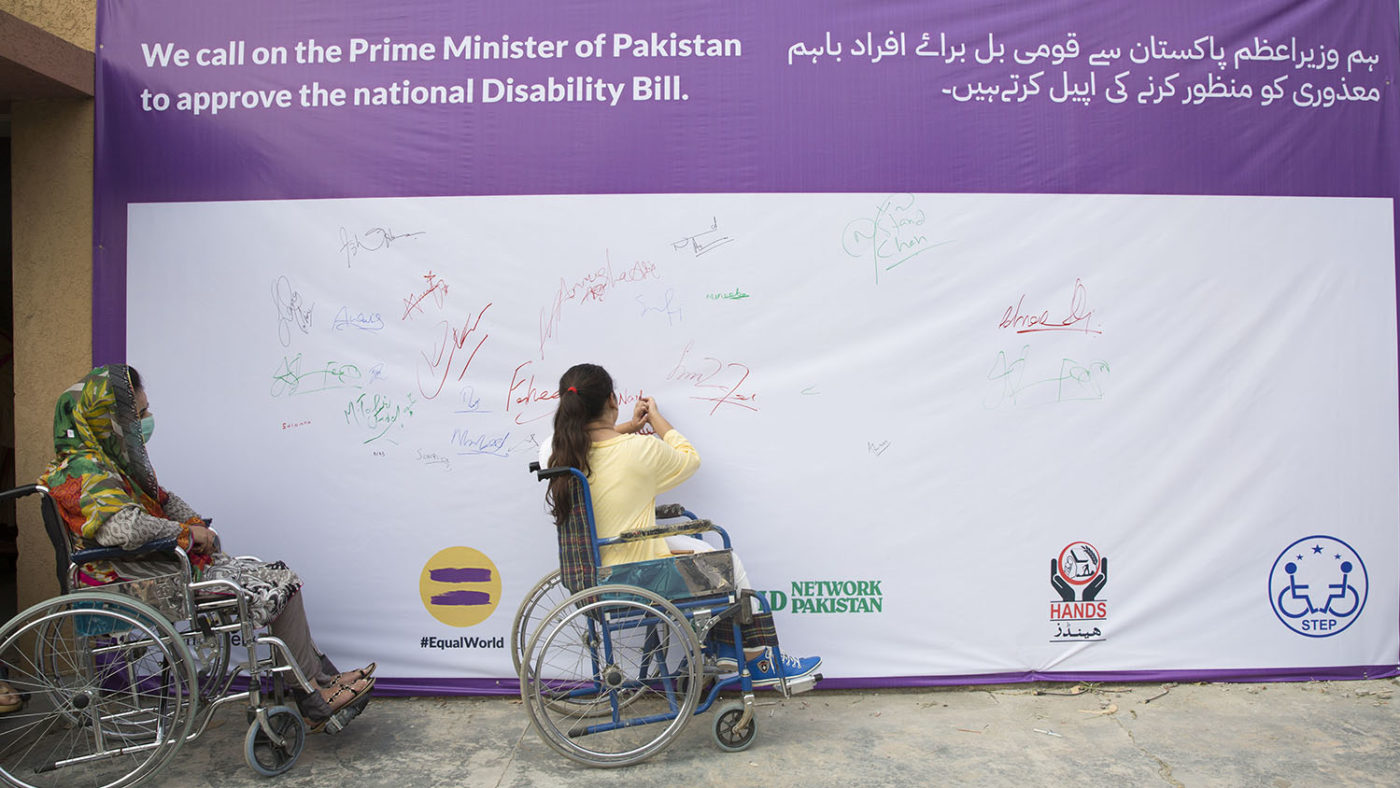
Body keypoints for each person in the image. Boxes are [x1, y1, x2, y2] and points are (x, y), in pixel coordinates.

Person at [40, 365, 374, 733]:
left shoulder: (111, 465)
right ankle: (312, 692)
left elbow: (163, 501)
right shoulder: (86, 471)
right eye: (139, 414)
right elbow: (125, 527)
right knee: (280, 584)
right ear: (108, 417)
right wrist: (188, 535)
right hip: (140, 574)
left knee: (279, 577)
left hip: (156, 564)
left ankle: (319, 679)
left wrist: (195, 523)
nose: (146, 421)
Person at [544, 362, 821, 687]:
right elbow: (690, 459)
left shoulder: (559, 454)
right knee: (723, 559)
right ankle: (757, 656)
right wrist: (654, 420)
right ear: (612, 401)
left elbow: (590, 439)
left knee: (702, 551)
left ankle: (726, 648)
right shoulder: (638, 451)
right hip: (636, 575)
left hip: (593, 576)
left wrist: (627, 426)